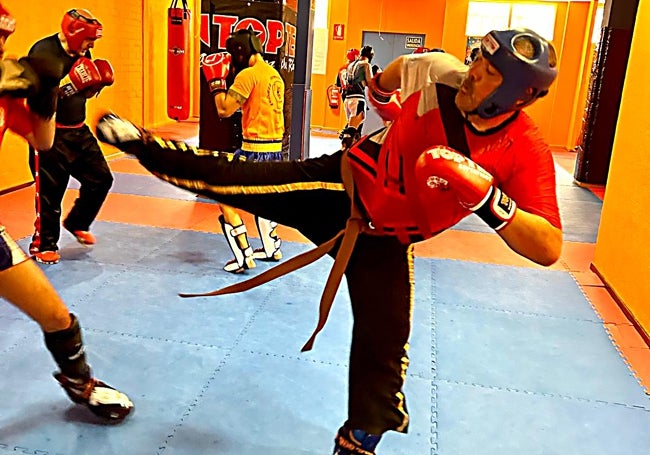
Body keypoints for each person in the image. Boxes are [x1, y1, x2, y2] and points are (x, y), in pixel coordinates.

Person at [95, 27, 562, 454]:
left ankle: (355, 446)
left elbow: (548, 247)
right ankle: (144, 146)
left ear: (514, 97)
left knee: (384, 361)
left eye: (488, 73)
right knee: (240, 180)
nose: (473, 72)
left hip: (386, 240)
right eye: (479, 59)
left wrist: (488, 199)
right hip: (342, 187)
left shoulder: (525, 150)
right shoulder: (443, 72)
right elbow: (398, 72)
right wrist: (380, 97)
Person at [0, 3, 133, 421]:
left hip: (72, 137)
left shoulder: (9, 82)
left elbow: (41, 139)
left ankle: (81, 385)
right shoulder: (42, 55)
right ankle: (48, 239)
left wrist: (44, 99)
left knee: (58, 316)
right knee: (50, 196)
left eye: (3, 38)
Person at [27, 8, 115, 265]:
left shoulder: (83, 52)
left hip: (79, 130)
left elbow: (81, 91)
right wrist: (69, 85)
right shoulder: (43, 53)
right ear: (74, 33)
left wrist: (93, 86)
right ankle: (43, 244)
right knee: (50, 194)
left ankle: (77, 222)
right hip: (50, 134)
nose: (91, 45)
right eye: (90, 40)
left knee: (101, 179)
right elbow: (36, 100)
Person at [201, 29, 285, 273]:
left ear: (239, 51)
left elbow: (224, 110)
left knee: (221, 194)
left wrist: (216, 83)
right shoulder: (273, 74)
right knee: (264, 201)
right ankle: (271, 248)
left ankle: (243, 256)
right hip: (275, 151)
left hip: (254, 150)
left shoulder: (248, 75)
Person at [342, 45, 374, 141]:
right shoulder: (366, 65)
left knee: (351, 126)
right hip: (358, 99)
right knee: (354, 130)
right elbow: (371, 83)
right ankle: (347, 150)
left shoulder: (350, 65)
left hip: (348, 99)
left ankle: (347, 148)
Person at [335, 48, 359, 137]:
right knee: (355, 116)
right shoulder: (355, 68)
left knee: (351, 116)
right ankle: (346, 132)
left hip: (345, 94)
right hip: (354, 94)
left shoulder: (342, 68)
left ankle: (346, 132)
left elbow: (338, 85)